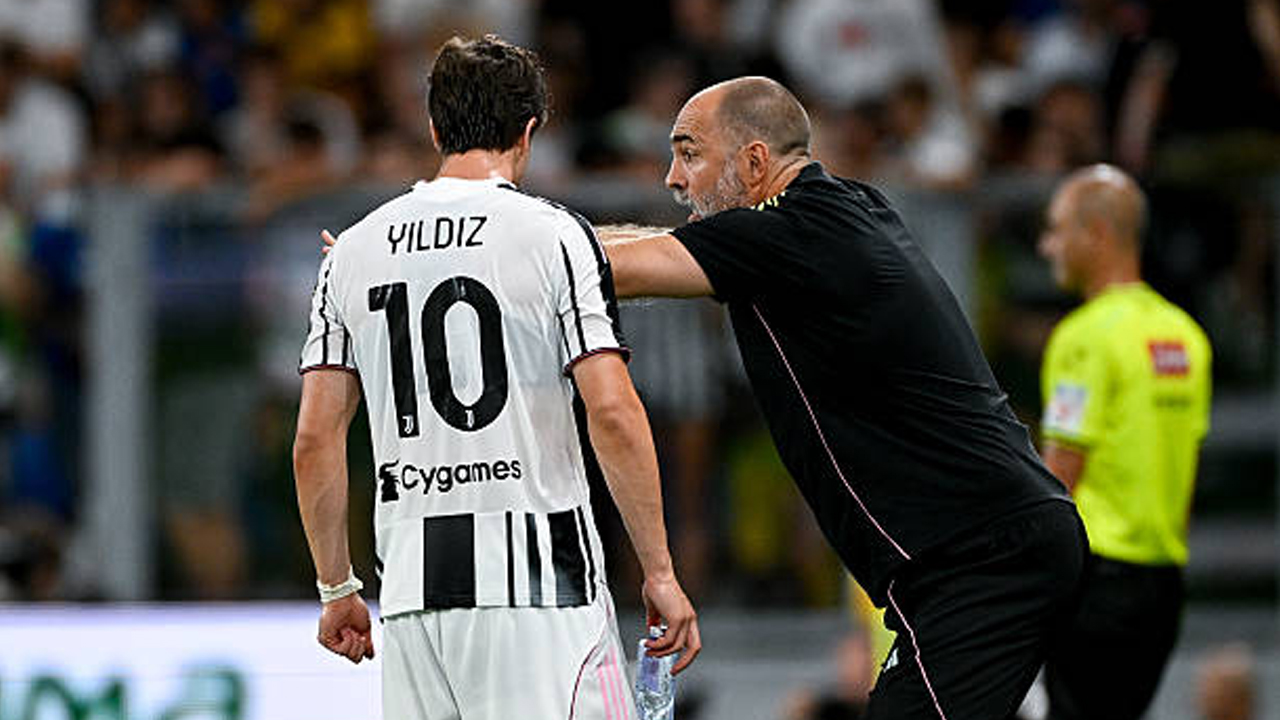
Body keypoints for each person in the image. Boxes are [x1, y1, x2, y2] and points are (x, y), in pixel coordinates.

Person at [600, 76, 1086, 720]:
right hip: (987, 554)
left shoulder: (792, 237)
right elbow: (650, 245)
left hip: (981, 563)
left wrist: (495, 236)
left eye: (689, 152)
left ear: (753, 163)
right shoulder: (840, 209)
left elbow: (613, 266)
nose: (671, 177)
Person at [293, 35, 699, 720]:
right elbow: (613, 411)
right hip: (540, 588)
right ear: (529, 130)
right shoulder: (554, 236)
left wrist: (337, 585)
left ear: (433, 128)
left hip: (415, 594)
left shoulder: (352, 253)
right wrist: (658, 570)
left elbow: (314, 438)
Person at [1037, 164, 1212, 720]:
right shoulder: (1185, 336)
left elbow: (1059, 475)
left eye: (1057, 228)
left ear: (1098, 235)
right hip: (1162, 586)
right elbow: (1185, 475)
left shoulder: (1084, 336)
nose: (1047, 246)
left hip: (1095, 582)